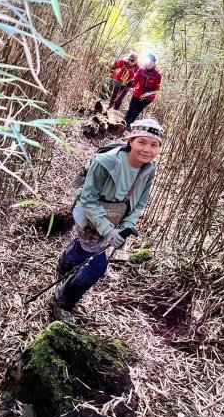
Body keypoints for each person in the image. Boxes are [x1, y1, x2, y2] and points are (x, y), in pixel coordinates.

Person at [50, 118, 164, 321]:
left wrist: (126, 227)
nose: (147, 149)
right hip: (88, 214)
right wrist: (108, 231)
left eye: (154, 145)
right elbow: (88, 198)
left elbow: (138, 204)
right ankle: (61, 301)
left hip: (114, 217)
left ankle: (65, 263)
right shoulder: (107, 162)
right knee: (97, 266)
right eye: (142, 142)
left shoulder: (149, 169)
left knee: (88, 247)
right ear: (130, 141)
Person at [124, 54, 162, 129]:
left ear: (154, 63)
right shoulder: (141, 69)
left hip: (147, 98)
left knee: (136, 112)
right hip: (137, 94)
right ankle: (124, 125)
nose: (148, 63)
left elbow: (157, 89)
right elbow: (135, 80)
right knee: (131, 109)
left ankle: (129, 125)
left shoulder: (158, 74)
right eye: (147, 61)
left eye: (150, 61)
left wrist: (148, 95)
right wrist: (131, 83)